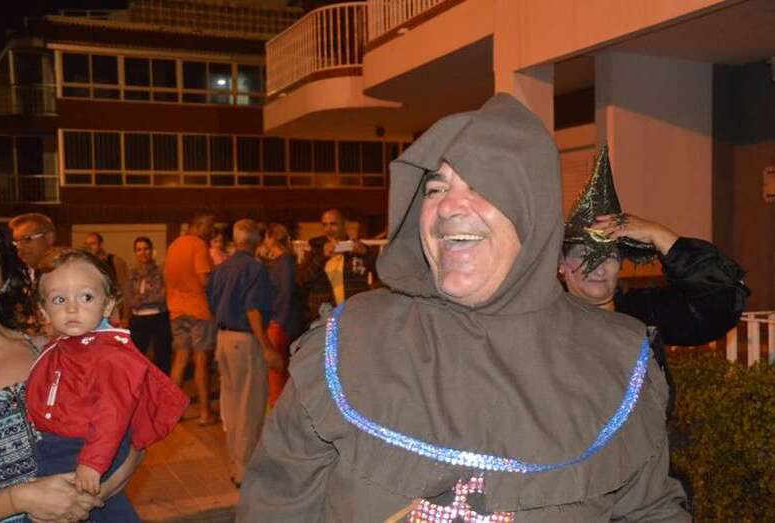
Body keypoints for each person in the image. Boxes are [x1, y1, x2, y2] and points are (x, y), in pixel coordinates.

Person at [237, 94, 688, 520]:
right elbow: (276, 503)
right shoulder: (352, 342)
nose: (449, 206)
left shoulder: (614, 360)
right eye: (435, 189)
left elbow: (649, 511)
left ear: (532, 210)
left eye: (481, 185)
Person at [559, 145, 750, 416]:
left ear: (621, 263)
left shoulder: (643, 315)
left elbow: (720, 303)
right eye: (584, 254)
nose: (599, 269)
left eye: (609, 256)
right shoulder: (540, 318)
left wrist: (659, 235)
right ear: (561, 263)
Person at [0, 222, 140, 523]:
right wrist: (16, 500)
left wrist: (92, 495)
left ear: (4, 280)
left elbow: (135, 438)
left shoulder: (53, 352)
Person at [26, 248, 189, 521]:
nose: (72, 308)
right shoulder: (61, 347)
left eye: (86, 297)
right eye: (59, 299)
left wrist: (92, 463)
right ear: (44, 311)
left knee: (76, 505)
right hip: (65, 443)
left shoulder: (112, 356)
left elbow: (112, 412)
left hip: (92, 447)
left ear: (108, 305)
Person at [206, 219, 282, 487]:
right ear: (257, 240)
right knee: (249, 408)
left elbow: (211, 302)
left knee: (232, 406)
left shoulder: (221, 268)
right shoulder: (254, 268)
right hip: (245, 340)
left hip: (223, 339)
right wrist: (267, 347)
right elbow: (253, 309)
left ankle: (235, 463)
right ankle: (244, 472)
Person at [165, 211, 217, 425]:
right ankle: (205, 413)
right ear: (200, 225)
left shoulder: (174, 245)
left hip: (176, 310)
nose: (212, 231)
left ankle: (172, 413)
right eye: (210, 226)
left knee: (180, 359)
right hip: (198, 310)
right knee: (201, 362)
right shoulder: (198, 245)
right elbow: (204, 279)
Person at [301, 209, 374, 321]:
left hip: (354, 313)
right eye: (325, 225)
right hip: (324, 315)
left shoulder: (358, 249)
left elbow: (382, 272)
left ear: (345, 224)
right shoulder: (315, 250)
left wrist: (366, 254)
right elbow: (303, 278)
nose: (328, 229)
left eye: (333, 224)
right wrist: (322, 257)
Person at [259, 223, 303, 408]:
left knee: (276, 370)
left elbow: (285, 294)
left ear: (271, 238)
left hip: (279, 322)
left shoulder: (284, 262)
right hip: (277, 320)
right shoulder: (280, 262)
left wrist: (279, 322)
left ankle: (277, 408)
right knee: (276, 370)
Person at [126, 236, 172, 374]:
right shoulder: (131, 273)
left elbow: (161, 297)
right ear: (135, 252)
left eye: (146, 249)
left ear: (152, 251)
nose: (143, 253)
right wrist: (146, 297)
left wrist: (140, 299)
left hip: (158, 317)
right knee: (135, 359)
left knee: (162, 358)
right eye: (139, 250)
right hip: (137, 319)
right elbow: (129, 299)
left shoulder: (161, 272)